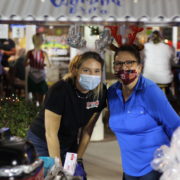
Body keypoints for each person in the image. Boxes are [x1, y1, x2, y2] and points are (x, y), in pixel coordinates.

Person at [27, 51, 107, 179]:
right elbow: (51, 134)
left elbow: (87, 130)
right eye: (86, 70)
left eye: (97, 71)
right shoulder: (60, 91)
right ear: (76, 70)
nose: (92, 75)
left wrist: (78, 159)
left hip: (69, 140)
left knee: (75, 175)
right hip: (42, 140)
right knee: (51, 176)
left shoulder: (100, 93)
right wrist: (57, 167)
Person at [107, 44, 180, 180]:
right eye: (119, 63)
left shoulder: (150, 91)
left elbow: (176, 126)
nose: (124, 67)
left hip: (154, 167)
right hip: (129, 168)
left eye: (130, 62)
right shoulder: (112, 93)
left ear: (139, 67)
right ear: (114, 67)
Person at [24, 33, 51, 105]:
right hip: (41, 76)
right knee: (41, 96)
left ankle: (34, 111)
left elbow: (24, 64)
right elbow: (49, 65)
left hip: (32, 75)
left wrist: (31, 63)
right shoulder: (44, 53)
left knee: (34, 96)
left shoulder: (30, 52)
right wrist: (43, 64)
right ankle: (39, 111)